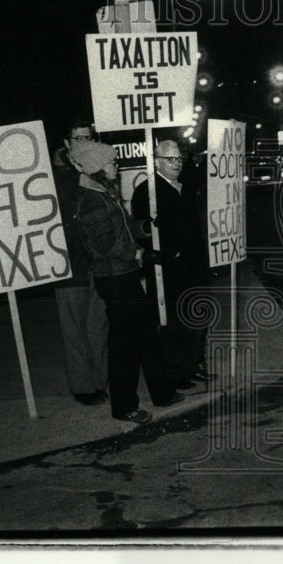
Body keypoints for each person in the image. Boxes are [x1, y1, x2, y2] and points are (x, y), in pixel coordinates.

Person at [70, 140, 182, 423]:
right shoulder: (91, 201)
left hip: (125, 275)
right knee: (124, 345)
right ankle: (124, 406)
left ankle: (162, 392)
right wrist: (140, 253)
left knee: (146, 334)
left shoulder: (104, 192)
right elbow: (106, 244)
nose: (115, 166)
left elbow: (123, 226)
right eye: (111, 163)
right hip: (115, 279)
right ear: (96, 168)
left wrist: (144, 226)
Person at [131, 139, 211, 388]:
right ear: (157, 161)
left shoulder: (184, 187)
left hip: (194, 265)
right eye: (170, 159)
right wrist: (166, 254)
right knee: (174, 321)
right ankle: (176, 371)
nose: (177, 163)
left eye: (179, 158)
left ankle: (193, 364)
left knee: (197, 316)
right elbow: (141, 230)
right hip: (169, 270)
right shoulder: (147, 191)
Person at [52, 118, 109, 406]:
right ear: (66, 143)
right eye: (77, 139)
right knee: (74, 330)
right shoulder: (52, 177)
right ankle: (84, 388)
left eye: (88, 138)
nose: (83, 144)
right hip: (67, 264)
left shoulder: (101, 171)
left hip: (99, 263)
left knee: (98, 327)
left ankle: (101, 381)